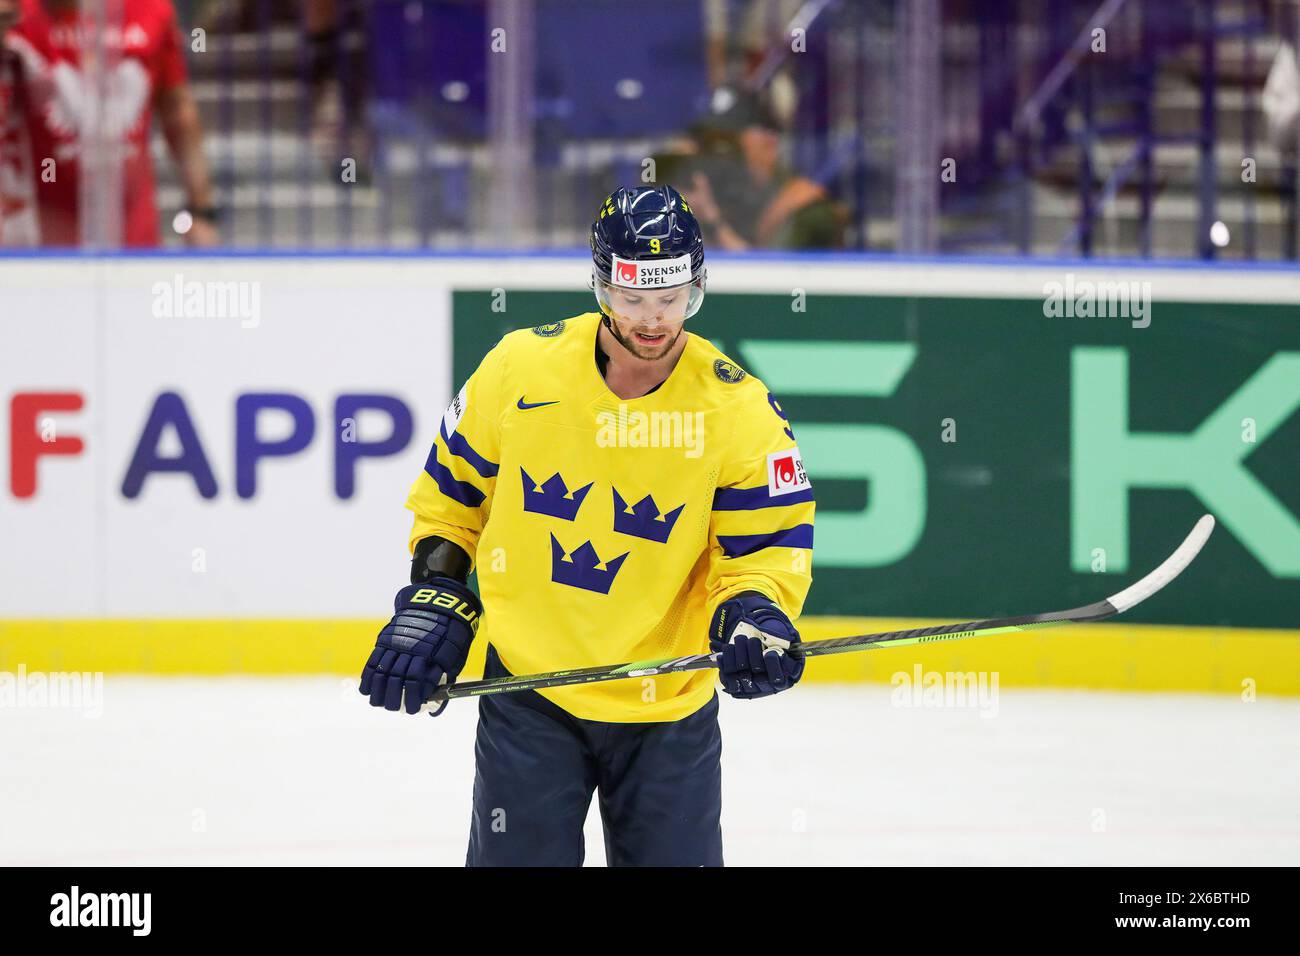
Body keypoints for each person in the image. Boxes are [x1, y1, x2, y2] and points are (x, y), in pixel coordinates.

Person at [359, 185, 816, 867]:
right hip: (529, 694)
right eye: (633, 299)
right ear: (601, 285)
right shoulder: (519, 367)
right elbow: (452, 499)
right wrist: (439, 592)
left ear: (697, 285)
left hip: (668, 708)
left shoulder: (740, 411)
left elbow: (762, 552)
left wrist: (756, 614)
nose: (655, 320)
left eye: (673, 298)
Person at [3, 0, 216, 246]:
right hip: (35, 247)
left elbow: (177, 111)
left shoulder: (151, 9)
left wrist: (201, 211)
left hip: (133, 242)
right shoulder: (15, 13)